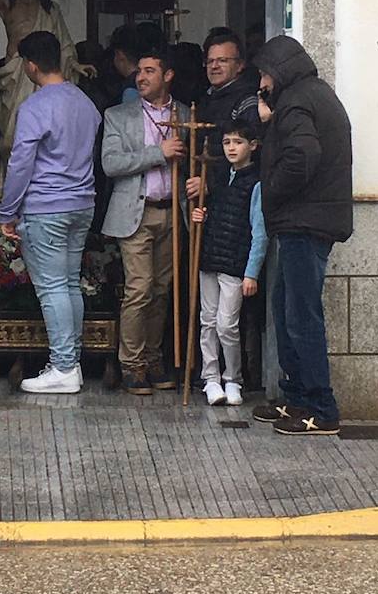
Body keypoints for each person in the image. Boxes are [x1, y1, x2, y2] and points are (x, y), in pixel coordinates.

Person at [251, 34, 353, 437]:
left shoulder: (296, 102)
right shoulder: (312, 95)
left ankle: (320, 406)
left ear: (278, 71)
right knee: (285, 308)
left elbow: (302, 155)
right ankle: (295, 396)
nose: (261, 81)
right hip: (309, 219)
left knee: (300, 315)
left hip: (303, 221)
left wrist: (271, 188)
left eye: (263, 73)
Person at [0, 31, 100, 395]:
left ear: (30, 65)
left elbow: (21, 161)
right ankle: (70, 362)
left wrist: (7, 210)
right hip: (82, 203)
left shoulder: (35, 106)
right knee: (70, 284)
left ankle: (62, 367)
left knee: (53, 287)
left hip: (46, 205)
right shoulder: (85, 103)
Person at [101, 49, 189, 396]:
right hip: (136, 212)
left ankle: (153, 359)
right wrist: (158, 153)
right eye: (139, 71)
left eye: (150, 71)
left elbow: (197, 157)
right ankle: (132, 364)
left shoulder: (184, 112)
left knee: (162, 290)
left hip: (172, 210)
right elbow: (111, 164)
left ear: (167, 76)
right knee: (139, 288)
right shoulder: (118, 115)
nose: (141, 77)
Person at [0, 0, 90, 198]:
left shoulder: (50, 8)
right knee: (13, 134)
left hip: (44, 74)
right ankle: (12, 191)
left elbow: (64, 42)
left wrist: (74, 64)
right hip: (16, 72)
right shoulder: (7, 3)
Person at [188, 119, 267, 407]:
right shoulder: (219, 178)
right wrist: (202, 218)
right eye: (227, 142)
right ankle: (210, 378)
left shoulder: (256, 183)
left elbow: (259, 232)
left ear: (252, 146)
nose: (231, 148)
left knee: (227, 325)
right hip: (210, 259)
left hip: (234, 263)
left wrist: (251, 273)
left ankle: (233, 378)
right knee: (207, 321)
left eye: (238, 142)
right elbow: (215, 217)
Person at [200, 30, 261, 129]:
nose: (214, 66)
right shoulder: (205, 99)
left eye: (222, 60)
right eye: (210, 61)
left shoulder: (246, 102)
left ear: (240, 65)